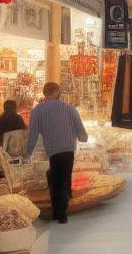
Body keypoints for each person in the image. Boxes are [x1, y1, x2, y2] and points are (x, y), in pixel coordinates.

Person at [26, 82, 88, 224]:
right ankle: (62, 212)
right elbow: (80, 129)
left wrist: (28, 154)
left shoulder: (37, 111)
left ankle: (58, 212)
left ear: (44, 93)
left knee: (57, 179)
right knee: (63, 178)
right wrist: (84, 138)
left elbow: (33, 135)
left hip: (53, 151)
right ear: (58, 92)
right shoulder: (69, 108)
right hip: (68, 149)